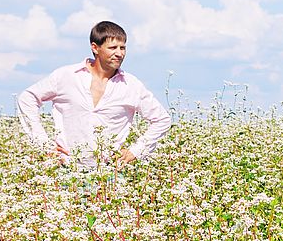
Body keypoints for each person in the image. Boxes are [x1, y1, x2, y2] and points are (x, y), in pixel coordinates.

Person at [17, 20, 171, 168]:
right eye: (113, 48)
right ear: (95, 48)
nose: (119, 53)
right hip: (66, 169)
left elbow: (162, 120)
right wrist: (43, 145)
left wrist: (135, 152)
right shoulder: (67, 76)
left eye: (122, 48)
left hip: (111, 172)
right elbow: (27, 98)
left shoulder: (131, 85)